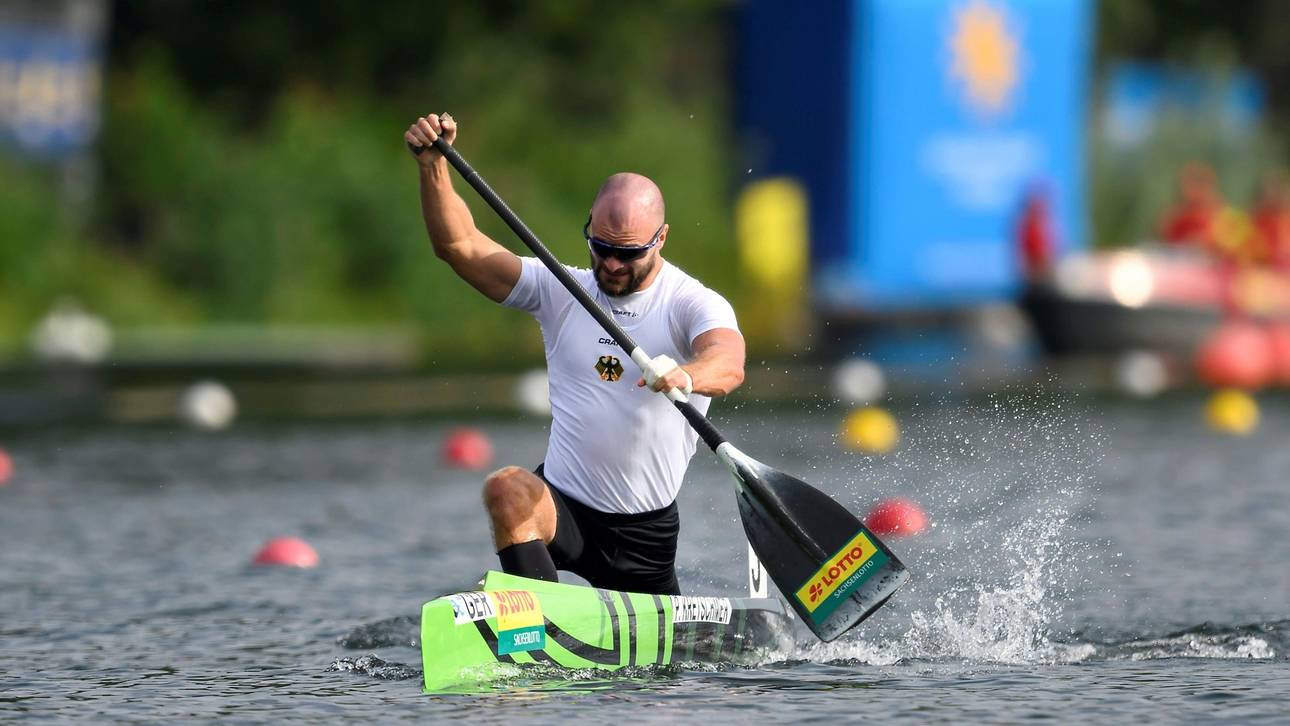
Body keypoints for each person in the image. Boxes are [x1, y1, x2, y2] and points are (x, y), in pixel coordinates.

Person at [404, 112, 746, 595]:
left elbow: (728, 362)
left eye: (628, 253)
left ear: (661, 239)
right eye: (601, 246)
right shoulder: (562, 291)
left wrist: (686, 376)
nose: (611, 264)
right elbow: (459, 246)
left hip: (644, 538)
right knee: (506, 488)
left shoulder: (690, 303)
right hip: (563, 506)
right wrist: (433, 167)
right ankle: (537, 622)